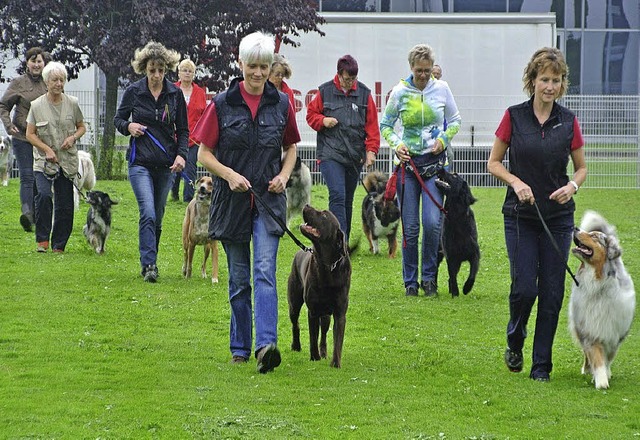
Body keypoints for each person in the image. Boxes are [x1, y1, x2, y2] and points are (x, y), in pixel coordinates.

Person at [193, 32, 300, 373]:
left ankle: (266, 346)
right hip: (232, 202)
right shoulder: (222, 104)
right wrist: (228, 175)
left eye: (264, 67)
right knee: (240, 278)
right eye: (252, 66)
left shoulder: (282, 103)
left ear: (272, 67)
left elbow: (291, 148)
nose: (258, 73)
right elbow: (203, 154)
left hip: (268, 202)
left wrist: (284, 176)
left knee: (265, 271)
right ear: (241, 64)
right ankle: (240, 346)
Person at [487, 47, 587, 382]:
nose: (549, 85)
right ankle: (515, 339)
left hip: (558, 219)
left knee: (552, 293)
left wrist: (572, 186)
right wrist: (516, 182)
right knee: (524, 289)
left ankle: (541, 366)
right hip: (521, 216)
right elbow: (494, 163)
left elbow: (582, 168)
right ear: (532, 80)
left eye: (555, 80)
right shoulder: (514, 117)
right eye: (544, 78)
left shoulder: (568, 121)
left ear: (562, 84)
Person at [380, 44, 461, 297]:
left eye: (427, 70)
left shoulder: (442, 89)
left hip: (435, 167)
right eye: (419, 71)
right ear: (411, 68)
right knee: (411, 227)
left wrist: (444, 140)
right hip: (408, 167)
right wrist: (397, 145)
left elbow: (456, 120)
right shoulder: (400, 92)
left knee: (432, 222)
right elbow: (386, 125)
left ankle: (429, 278)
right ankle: (410, 281)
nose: (424, 75)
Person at [114, 41, 188, 282]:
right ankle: (149, 265)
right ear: (144, 68)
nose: (156, 75)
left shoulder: (175, 94)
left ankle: (150, 257)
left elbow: (184, 130)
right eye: (152, 70)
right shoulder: (134, 92)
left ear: (167, 69)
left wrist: (181, 155)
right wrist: (129, 126)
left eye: (161, 70)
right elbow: (118, 119)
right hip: (140, 163)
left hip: (167, 164)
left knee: (157, 214)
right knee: (147, 212)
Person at [306, 55, 380, 243]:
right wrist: (323, 120)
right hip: (330, 154)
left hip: (354, 156)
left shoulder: (364, 94)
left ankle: (342, 240)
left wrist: (371, 151)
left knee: (347, 200)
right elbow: (310, 115)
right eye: (347, 79)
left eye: (353, 78)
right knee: (337, 195)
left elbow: (372, 125)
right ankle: (338, 241)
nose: (350, 82)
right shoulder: (324, 92)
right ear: (339, 75)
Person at [25, 61, 86, 253]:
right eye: (55, 80)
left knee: (65, 203)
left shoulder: (73, 103)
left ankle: (59, 245)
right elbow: (30, 134)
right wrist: (46, 149)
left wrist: (73, 137)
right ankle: (42, 240)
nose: (59, 84)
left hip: (66, 161)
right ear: (46, 82)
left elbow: (82, 127)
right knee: (43, 195)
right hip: (43, 161)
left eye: (62, 80)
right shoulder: (36, 106)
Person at [0, 47, 49, 232]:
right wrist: (7, 124)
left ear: (44, 63)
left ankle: (37, 214)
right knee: (27, 176)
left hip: (43, 138)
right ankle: (27, 213)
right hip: (22, 136)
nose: (36, 65)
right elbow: (3, 105)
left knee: (40, 178)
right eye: (33, 61)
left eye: (39, 61)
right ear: (27, 63)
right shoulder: (18, 83)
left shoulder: (49, 82)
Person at [171, 58, 207, 202]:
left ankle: (188, 197)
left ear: (193, 74)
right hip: (174, 136)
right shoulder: (172, 89)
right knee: (176, 167)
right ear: (179, 73)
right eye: (184, 70)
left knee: (190, 167)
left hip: (194, 138)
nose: (187, 73)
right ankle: (173, 193)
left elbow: (204, 115)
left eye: (190, 71)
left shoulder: (199, 92)